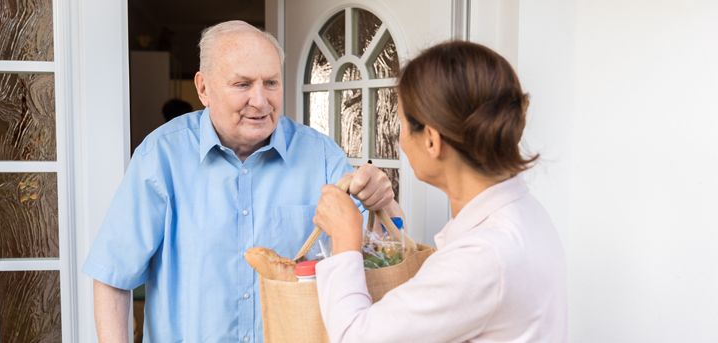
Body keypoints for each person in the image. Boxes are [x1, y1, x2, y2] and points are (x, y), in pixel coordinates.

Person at [82, 21, 402, 343]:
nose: (261, 101)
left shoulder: (321, 155)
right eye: (242, 84)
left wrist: (383, 203)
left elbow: (376, 255)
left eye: (271, 82)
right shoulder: (160, 156)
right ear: (204, 88)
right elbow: (113, 276)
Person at [313, 41, 568, 342]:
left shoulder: (482, 255)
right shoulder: (523, 212)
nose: (400, 139)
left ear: (432, 140)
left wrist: (345, 238)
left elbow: (355, 337)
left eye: (403, 125)